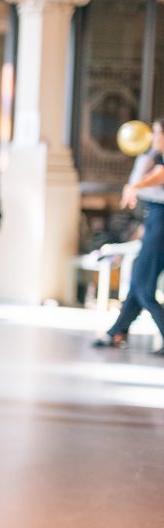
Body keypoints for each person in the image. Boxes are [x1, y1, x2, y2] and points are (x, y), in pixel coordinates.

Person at [92, 117, 164, 354]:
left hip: (161, 222)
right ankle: (116, 332)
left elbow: (159, 175)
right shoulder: (154, 156)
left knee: (143, 287)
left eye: (157, 133)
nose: (153, 137)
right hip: (153, 220)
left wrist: (136, 186)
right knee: (137, 285)